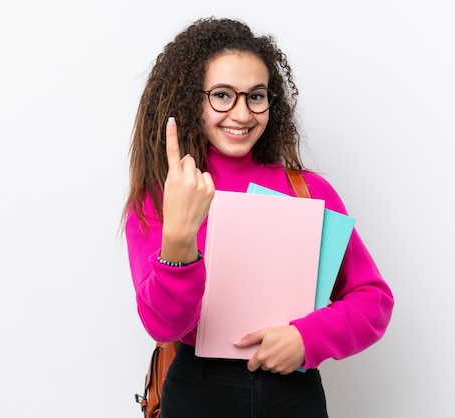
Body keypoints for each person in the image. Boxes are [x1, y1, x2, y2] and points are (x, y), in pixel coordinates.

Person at [122, 16, 394, 418]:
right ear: (191, 100)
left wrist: (307, 337)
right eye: (222, 95)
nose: (242, 113)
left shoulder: (308, 191)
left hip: (293, 395)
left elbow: (374, 300)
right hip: (198, 395)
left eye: (256, 96)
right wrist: (179, 240)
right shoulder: (165, 195)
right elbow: (164, 327)